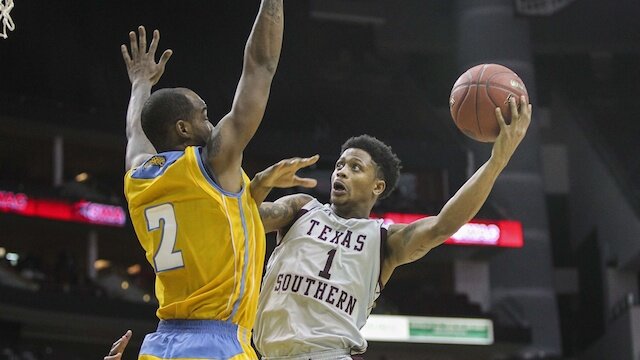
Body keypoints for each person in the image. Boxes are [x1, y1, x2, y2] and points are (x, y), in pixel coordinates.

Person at [252, 96, 532, 359]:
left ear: (378, 186)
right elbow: (241, 219)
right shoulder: (301, 208)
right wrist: (259, 186)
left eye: (355, 167)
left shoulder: (384, 241)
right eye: (339, 165)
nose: (341, 171)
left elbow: (442, 226)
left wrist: (497, 162)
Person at [120, 1, 309, 358]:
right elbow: (260, 67)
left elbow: (135, 129)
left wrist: (140, 83)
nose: (211, 122)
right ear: (183, 129)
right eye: (204, 115)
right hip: (215, 342)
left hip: (161, 344)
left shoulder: (138, 174)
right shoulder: (212, 164)